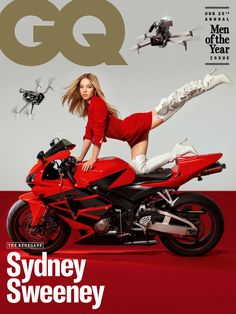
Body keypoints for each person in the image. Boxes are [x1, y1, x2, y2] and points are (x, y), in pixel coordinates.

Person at [62, 70, 231, 174]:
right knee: (140, 169)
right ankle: (177, 152)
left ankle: (208, 82)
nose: (84, 90)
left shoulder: (97, 104)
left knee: (171, 104)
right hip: (131, 136)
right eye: (82, 87)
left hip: (133, 126)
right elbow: (88, 134)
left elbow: (97, 134)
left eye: (88, 86)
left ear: (94, 88)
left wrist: (92, 159)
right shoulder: (91, 106)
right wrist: (81, 157)